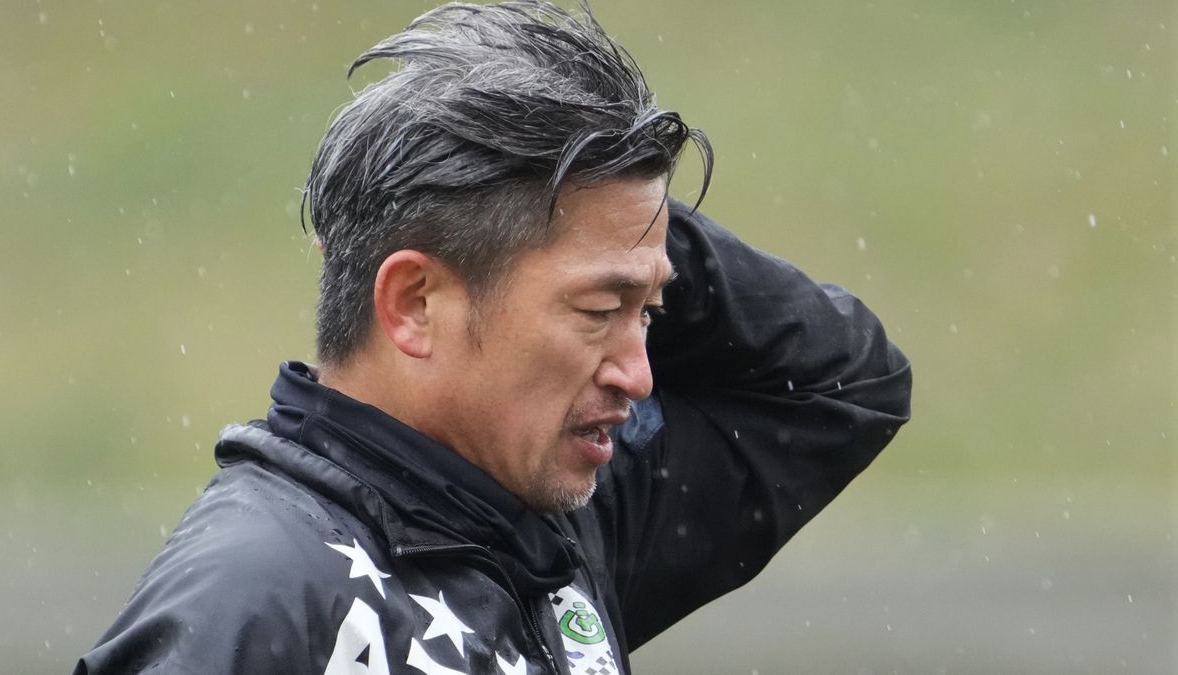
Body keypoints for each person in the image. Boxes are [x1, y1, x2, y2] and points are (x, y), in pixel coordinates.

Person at [75, 2, 911, 673]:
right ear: (414, 302)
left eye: (648, 314)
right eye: (596, 312)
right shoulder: (255, 591)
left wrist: (615, 224)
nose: (639, 373)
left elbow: (843, 382)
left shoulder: (551, 514)